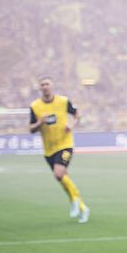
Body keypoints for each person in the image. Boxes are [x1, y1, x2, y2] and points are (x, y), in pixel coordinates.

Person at [29, 76, 89, 223]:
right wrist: (40, 122)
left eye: (47, 84)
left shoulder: (63, 101)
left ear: (52, 86)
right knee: (63, 179)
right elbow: (31, 129)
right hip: (49, 150)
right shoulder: (35, 106)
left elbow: (77, 115)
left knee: (58, 173)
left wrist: (71, 125)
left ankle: (74, 201)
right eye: (42, 84)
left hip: (65, 145)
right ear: (39, 88)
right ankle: (82, 207)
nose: (45, 86)